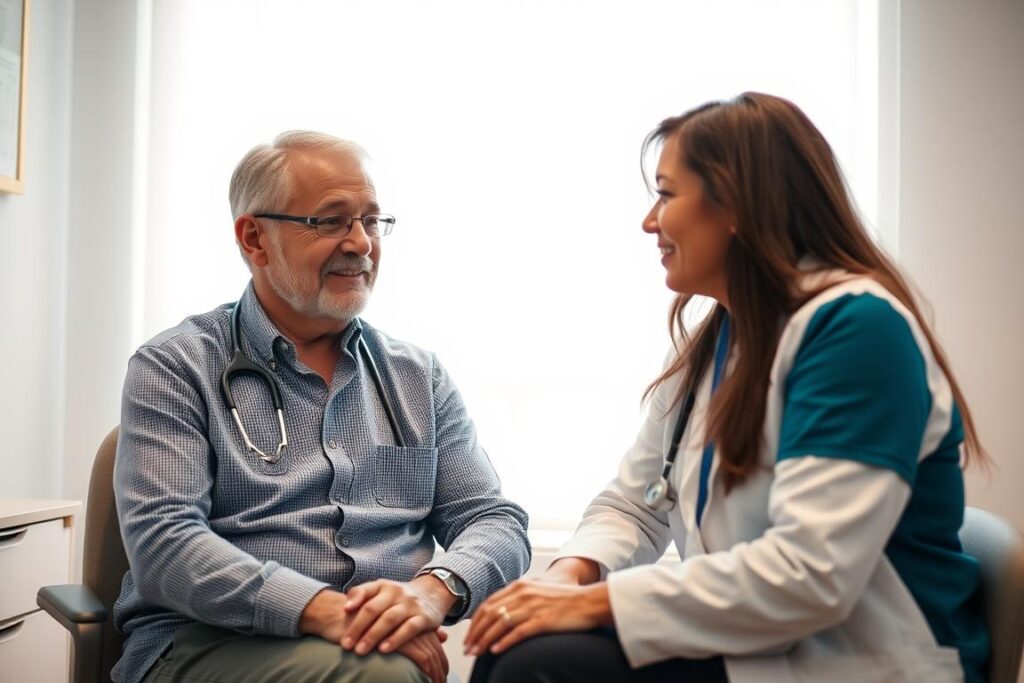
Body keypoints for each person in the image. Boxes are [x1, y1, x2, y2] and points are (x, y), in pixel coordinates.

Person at [464, 93, 989, 683]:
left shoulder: (857, 332)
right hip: (762, 646)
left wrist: (595, 605)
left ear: (735, 203)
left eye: (665, 194)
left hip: (857, 659)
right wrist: (571, 573)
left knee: (538, 667)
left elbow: (812, 574)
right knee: (514, 649)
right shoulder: (715, 340)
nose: (649, 221)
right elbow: (635, 503)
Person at [113, 131, 530, 683]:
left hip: (372, 654)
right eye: (330, 221)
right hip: (204, 643)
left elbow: (493, 519)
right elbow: (166, 546)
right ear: (255, 239)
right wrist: (326, 612)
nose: (361, 243)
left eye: (371, 221)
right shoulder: (175, 366)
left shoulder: (416, 377)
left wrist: (432, 592)